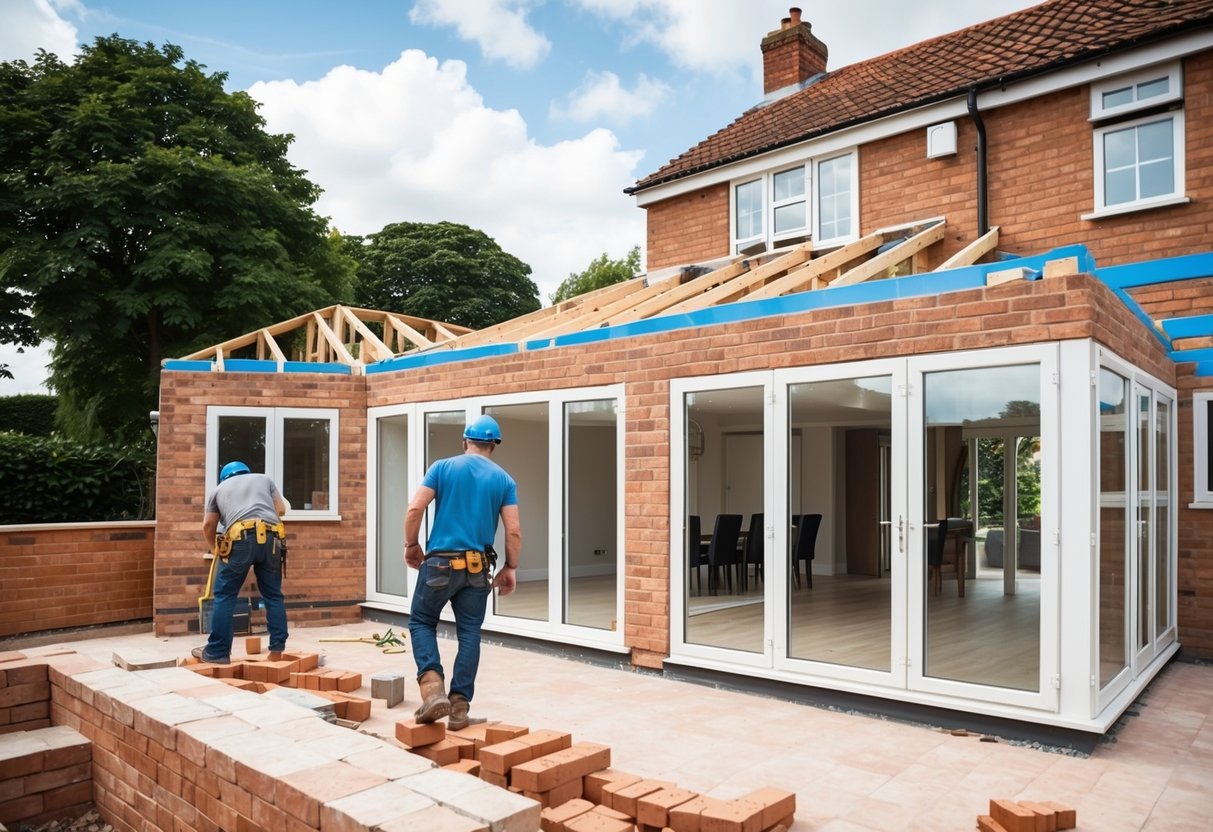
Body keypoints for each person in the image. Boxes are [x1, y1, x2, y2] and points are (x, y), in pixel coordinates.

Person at [404, 414, 521, 730]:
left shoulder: (442, 467)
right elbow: (513, 531)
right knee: (469, 633)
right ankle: (458, 709)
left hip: (440, 563)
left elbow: (415, 508)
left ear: (465, 441)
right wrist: (510, 567)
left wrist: (411, 545)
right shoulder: (504, 480)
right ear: (493, 446)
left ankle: (432, 691)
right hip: (477, 569)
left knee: (421, 621)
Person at [191, 461, 289, 664]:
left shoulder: (218, 490)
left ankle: (217, 652)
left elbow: (208, 524)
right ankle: (277, 651)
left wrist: (215, 548)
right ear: (246, 471)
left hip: (240, 540)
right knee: (273, 595)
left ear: (224, 477)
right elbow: (280, 510)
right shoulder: (264, 479)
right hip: (272, 540)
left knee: (225, 595)